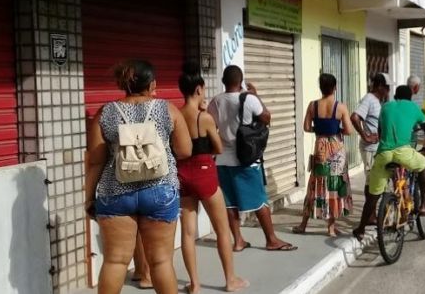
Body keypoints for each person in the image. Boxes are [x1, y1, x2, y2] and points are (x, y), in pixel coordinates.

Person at [85, 60, 193, 294]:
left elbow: (95, 160)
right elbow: (185, 150)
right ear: (152, 84)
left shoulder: (105, 112)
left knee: (115, 261)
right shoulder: (168, 109)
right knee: (161, 261)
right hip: (161, 190)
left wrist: (88, 198)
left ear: (124, 84)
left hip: (115, 192)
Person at [176, 63, 248, 294]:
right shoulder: (203, 118)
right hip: (204, 171)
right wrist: (211, 124)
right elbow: (217, 147)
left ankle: (194, 284)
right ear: (198, 89)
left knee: (188, 232)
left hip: (183, 174)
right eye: (204, 89)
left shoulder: (176, 116)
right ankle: (230, 279)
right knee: (222, 229)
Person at [208, 66, 297, 252]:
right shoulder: (249, 99)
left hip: (223, 160)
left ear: (224, 81)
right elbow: (266, 117)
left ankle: (238, 240)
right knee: (259, 201)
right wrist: (256, 96)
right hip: (245, 160)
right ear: (240, 82)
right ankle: (271, 240)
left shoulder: (215, 102)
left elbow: (212, 126)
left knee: (230, 203)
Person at [352, 85, 425, 241]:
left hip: (383, 153)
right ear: (410, 97)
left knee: (373, 196)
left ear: (396, 96)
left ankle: (360, 229)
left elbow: (380, 131)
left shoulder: (385, 107)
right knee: (423, 164)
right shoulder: (412, 107)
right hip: (403, 152)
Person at [293, 73, 354, 237]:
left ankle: (303, 225)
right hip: (336, 148)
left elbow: (306, 127)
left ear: (320, 87)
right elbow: (349, 130)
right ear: (335, 87)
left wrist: (319, 130)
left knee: (315, 184)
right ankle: (331, 228)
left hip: (319, 146)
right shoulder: (340, 107)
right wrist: (336, 130)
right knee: (333, 184)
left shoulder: (313, 106)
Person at [351, 73, 391, 178]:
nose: (389, 90)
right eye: (387, 87)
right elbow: (355, 117)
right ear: (380, 86)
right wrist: (365, 136)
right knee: (372, 181)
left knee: (378, 180)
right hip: (370, 148)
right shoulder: (369, 99)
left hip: (378, 147)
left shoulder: (377, 101)